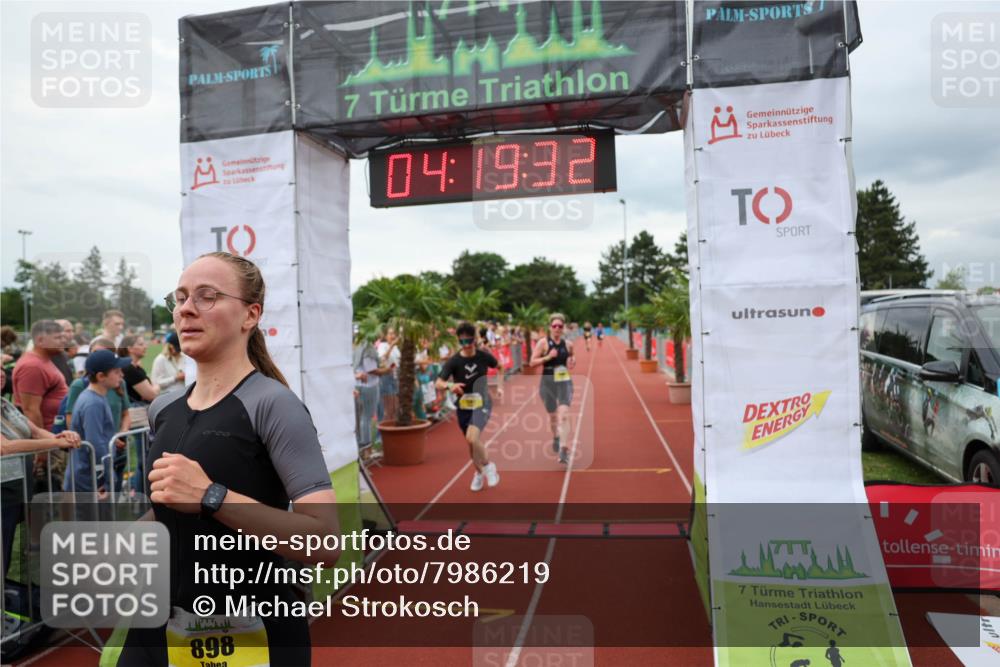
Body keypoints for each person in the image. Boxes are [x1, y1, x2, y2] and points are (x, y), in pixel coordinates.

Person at [116, 251, 338, 666]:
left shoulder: (274, 405)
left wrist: (212, 496)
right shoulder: (164, 407)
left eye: (207, 296)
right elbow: (169, 512)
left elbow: (324, 542)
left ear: (249, 315)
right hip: (154, 628)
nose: (186, 309)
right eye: (180, 298)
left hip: (248, 632)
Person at [1, 368, 80, 576]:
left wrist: (63, 438)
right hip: (3, 489)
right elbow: (5, 447)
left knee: (7, 547)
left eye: (1, 368)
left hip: (19, 484)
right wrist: (55, 443)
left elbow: (35, 431)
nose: (1, 373)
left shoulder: (5, 404)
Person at [435, 322, 502, 491]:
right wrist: (451, 386)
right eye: (462, 342)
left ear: (476, 339)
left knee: (472, 437)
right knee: (471, 444)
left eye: (469, 341)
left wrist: (499, 386)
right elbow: (438, 382)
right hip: (463, 406)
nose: (466, 345)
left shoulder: (483, 356)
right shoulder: (454, 361)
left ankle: (488, 466)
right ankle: (479, 474)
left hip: (482, 403)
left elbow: (500, 367)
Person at [63, 350, 133, 494]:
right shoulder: (93, 403)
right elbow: (95, 444)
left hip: (92, 475)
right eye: (116, 371)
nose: (122, 375)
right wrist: (109, 479)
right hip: (89, 478)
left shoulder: (98, 397)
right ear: (101, 376)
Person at [12, 320, 70, 489]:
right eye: (58, 337)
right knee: (49, 493)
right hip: (48, 439)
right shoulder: (32, 366)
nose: (63, 340)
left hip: (54, 436)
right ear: (40, 340)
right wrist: (42, 451)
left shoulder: (44, 360)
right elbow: (30, 410)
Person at [530, 313, 576, 464]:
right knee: (553, 417)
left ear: (563, 328)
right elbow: (532, 363)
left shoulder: (568, 344)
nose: (557, 328)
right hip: (547, 383)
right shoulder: (543, 343)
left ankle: (563, 449)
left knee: (563, 414)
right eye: (554, 326)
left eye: (560, 326)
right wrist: (548, 357)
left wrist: (572, 360)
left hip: (564, 382)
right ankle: (556, 437)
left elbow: (572, 356)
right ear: (550, 327)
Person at [376, 328, 400, 423]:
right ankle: (384, 431)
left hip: (395, 376)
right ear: (386, 336)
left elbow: (398, 360)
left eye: (394, 333)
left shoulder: (396, 347)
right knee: (388, 406)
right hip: (386, 377)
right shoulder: (382, 345)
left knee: (395, 405)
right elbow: (382, 359)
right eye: (390, 334)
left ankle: (393, 426)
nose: (392, 336)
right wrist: (392, 346)